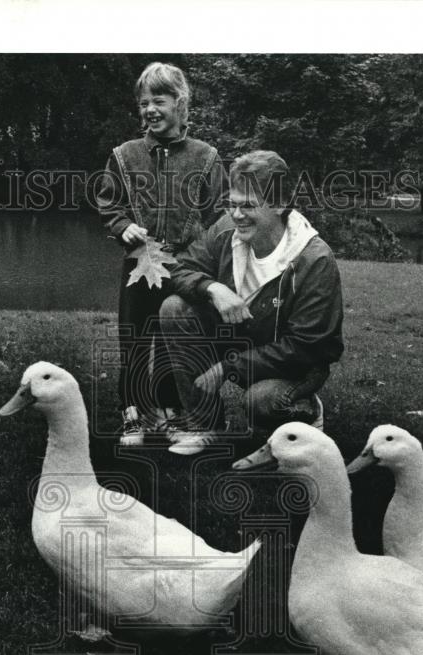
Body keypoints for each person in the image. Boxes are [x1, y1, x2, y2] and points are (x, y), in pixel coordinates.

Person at [159, 150, 344, 455]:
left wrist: (226, 368)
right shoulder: (225, 230)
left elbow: (308, 346)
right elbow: (177, 267)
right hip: (240, 338)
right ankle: (205, 426)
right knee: (175, 308)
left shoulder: (315, 259)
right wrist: (212, 287)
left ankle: (304, 408)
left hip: (294, 366)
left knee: (259, 403)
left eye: (248, 205)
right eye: (231, 204)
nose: (236, 214)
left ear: (280, 204)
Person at [96, 62, 227, 446]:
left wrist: (208, 260)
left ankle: (172, 411)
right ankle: (135, 413)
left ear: (179, 103)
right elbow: (108, 201)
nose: (150, 109)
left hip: (185, 266)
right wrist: (123, 227)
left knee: (174, 336)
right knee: (135, 338)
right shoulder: (124, 155)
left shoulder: (206, 156)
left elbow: (218, 217)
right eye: (143, 103)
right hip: (140, 264)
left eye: (159, 100)